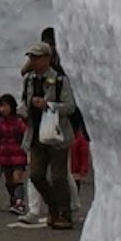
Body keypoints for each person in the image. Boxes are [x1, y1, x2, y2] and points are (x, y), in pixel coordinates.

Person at [32, 82, 77, 230]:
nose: (34, 62)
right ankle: (53, 206)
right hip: (36, 136)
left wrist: (49, 105)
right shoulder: (30, 79)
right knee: (36, 175)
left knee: (58, 176)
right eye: (32, 58)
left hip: (58, 135)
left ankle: (64, 213)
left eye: (38, 58)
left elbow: (70, 107)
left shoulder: (59, 80)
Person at [0, 94, 31, 217]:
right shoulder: (0, 124)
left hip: (18, 155)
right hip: (5, 156)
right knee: (9, 181)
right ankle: (13, 198)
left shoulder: (18, 122)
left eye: (5, 106)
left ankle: (20, 202)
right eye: (1, 106)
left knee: (17, 178)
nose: (2, 109)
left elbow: (25, 135)